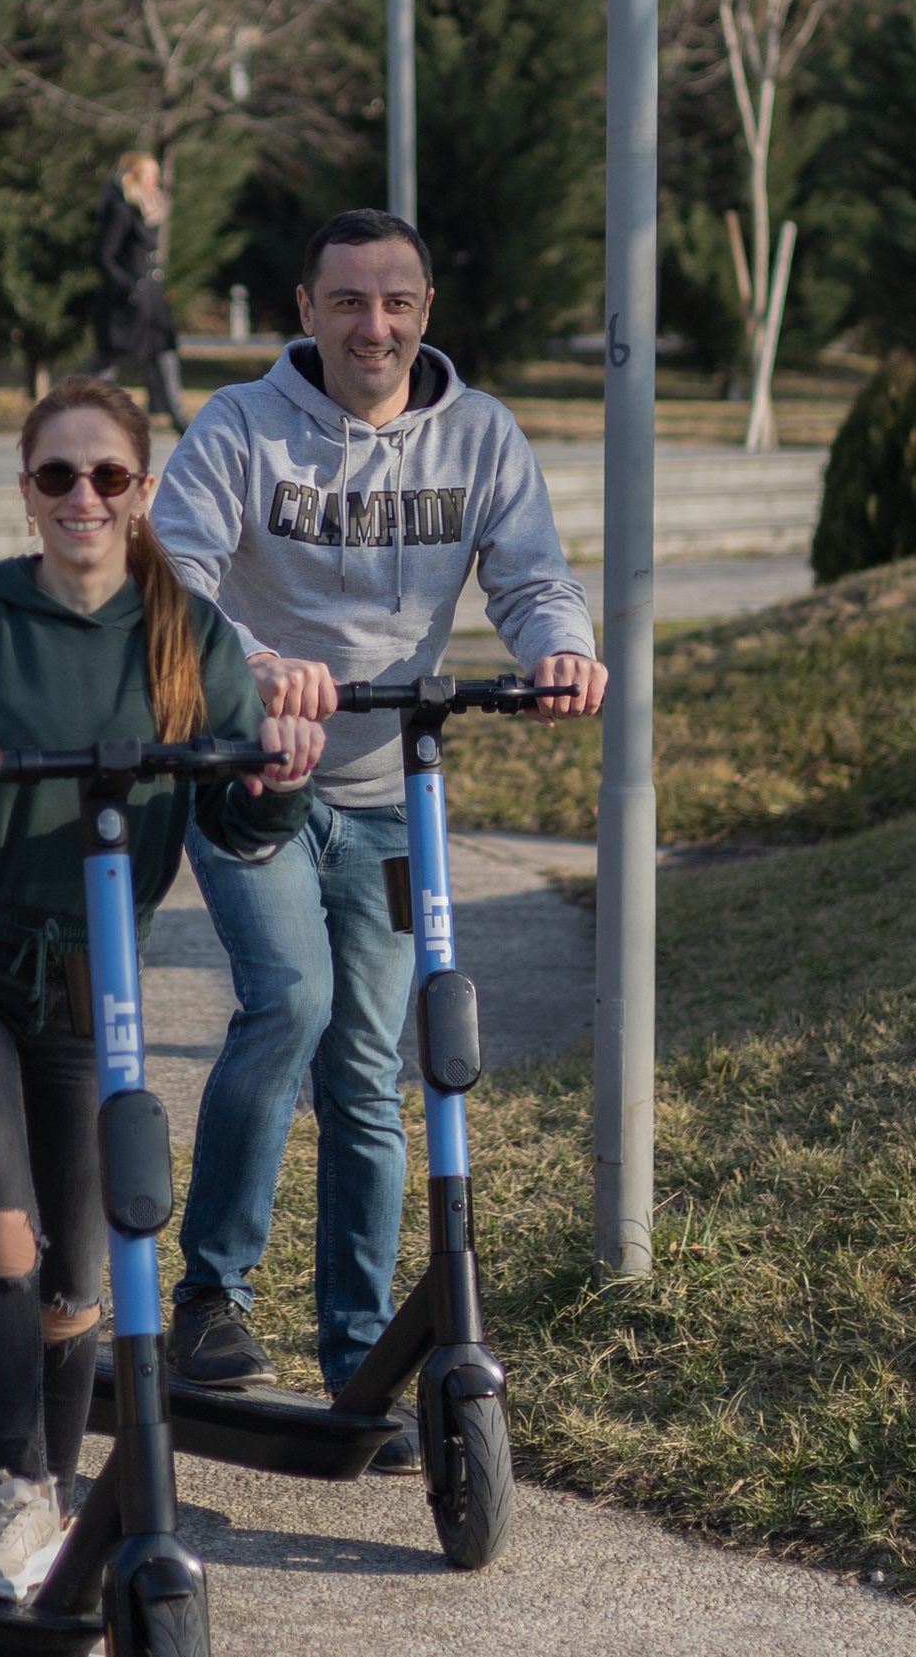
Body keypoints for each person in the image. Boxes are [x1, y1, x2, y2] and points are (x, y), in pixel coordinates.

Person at [0, 374, 322, 1600]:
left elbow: (240, 817)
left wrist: (277, 777)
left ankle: (31, 1467)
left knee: (76, 1284)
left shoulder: (188, 638)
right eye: (58, 476)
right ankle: (18, 1493)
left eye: (108, 476)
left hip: (90, 994)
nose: (84, 498)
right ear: (26, 490)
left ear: (144, 491)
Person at [148, 208, 608, 1453]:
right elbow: (171, 577)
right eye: (347, 301)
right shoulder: (241, 430)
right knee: (286, 1004)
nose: (373, 325)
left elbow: (528, 576)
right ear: (304, 309)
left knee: (370, 1069)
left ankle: (358, 1341)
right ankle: (211, 1300)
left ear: (425, 311)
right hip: (253, 774)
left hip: (395, 786)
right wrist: (256, 668)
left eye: (395, 301)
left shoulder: (481, 435)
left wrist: (560, 648)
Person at [92, 151, 189, 434]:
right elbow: (103, 255)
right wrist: (128, 288)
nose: (155, 181)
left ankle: (182, 425)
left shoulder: (150, 209)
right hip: (127, 302)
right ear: (133, 177)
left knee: (166, 360)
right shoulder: (121, 209)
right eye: (149, 175)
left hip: (152, 303)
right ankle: (76, 411)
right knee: (106, 365)